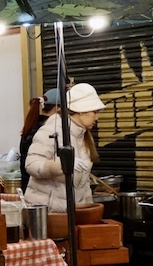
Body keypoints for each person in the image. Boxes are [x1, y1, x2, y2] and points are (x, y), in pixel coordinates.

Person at [24, 83, 105, 213]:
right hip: (48, 214)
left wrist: (88, 209)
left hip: (73, 214)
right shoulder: (51, 131)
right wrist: (61, 165)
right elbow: (31, 165)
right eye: (94, 111)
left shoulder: (84, 136)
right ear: (80, 110)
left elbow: (84, 185)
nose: (97, 117)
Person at [19, 88, 59, 191]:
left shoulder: (32, 126)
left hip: (29, 188)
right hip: (40, 189)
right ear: (57, 108)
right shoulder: (47, 130)